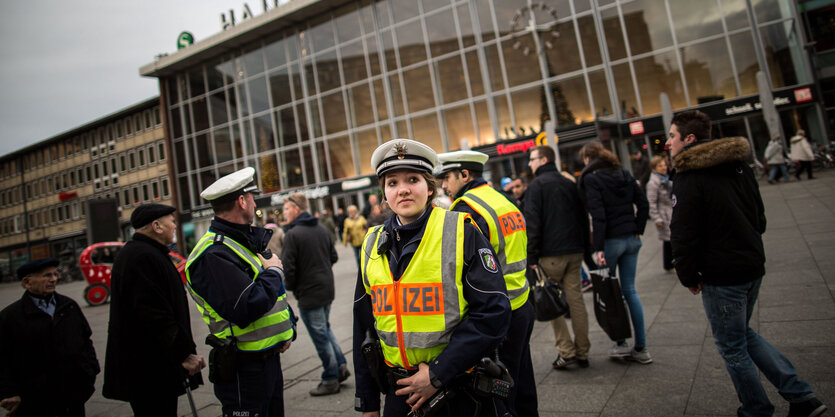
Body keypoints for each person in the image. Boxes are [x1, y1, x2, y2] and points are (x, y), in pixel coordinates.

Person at [668, 110, 826, 417]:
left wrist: (687, 274)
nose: (668, 143)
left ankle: (756, 409)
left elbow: (683, 233)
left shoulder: (689, 174)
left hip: (722, 275)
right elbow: (759, 216)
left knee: (732, 346)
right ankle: (801, 396)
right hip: (751, 265)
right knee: (741, 334)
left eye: (671, 136)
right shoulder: (738, 166)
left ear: (689, 139)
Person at [353, 139, 512, 417]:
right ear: (384, 194)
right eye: (392, 183)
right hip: (399, 393)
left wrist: (437, 374)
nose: (402, 189)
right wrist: (367, 402)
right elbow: (364, 327)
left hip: (456, 390)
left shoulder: (462, 231)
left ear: (429, 188)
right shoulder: (371, 243)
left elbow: (493, 312)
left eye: (412, 179)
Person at [185, 167, 296, 417]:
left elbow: (274, 298)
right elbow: (245, 307)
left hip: (266, 358)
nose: (255, 203)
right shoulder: (211, 254)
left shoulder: (238, 242)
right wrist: (274, 272)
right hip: (243, 367)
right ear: (242, 201)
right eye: (252, 197)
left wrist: (290, 327)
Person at [436, 150, 538, 416]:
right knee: (523, 380)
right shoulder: (500, 198)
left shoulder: (466, 209)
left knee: (501, 391)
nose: (444, 185)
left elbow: (464, 268)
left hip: (499, 313)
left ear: (465, 175)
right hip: (522, 302)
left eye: (446, 178)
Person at [103, 204, 205, 416]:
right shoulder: (141, 257)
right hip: (147, 369)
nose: (175, 226)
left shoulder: (146, 253)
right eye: (171, 221)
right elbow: (154, 314)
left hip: (151, 366)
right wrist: (184, 353)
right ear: (156, 226)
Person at [578, 141, 651, 364]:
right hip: (631, 239)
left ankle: (621, 343)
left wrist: (598, 248)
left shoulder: (591, 178)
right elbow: (643, 203)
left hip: (610, 241)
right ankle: (641, 347)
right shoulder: (623, 172)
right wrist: (638, 228)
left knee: (610, 292)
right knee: (630, 290)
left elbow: (598, 215)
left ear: (588, 159)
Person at [0, 258, 100, 417]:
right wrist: (8, 392)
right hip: (35, 399)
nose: (54, 279)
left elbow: (85, 340)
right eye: (47, 275)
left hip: (72, 395)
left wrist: (90, 371)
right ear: (27, 282)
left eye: (55, 274)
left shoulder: (69, 306)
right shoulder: (10, 317)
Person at [525, 145, 593, 371]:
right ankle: (583, 351)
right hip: (575, 251)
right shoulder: (568, 183)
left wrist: (531, 255)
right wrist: (587, 250)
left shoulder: (536, 186)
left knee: (550, 300)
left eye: (532, 159)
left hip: (550, 255)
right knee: (576, 302)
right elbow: (584, 217)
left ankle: (567, 352)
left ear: (543, 159)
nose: (530, 164)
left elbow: (533, 224)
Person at [281, 193, 348, 396]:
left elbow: (288, 269)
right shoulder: (320, 228)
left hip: (309, 293)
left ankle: (330, 378)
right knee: (325, 330)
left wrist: (294, 287)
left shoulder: (292, 234)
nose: (283, 214)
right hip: (326, 288)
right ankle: (341, 367)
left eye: (286, 209)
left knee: (320, 335)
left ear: (296, 209)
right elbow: (333, 256)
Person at [645, 155, 674, 272]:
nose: (663, 168)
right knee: (669, 241)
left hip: (671, 212)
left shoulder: (667, 179)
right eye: (660, 166)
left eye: (664, 165)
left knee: (670, 240)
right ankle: (669, 264)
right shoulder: (653, 183)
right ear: (654, 169)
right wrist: (657, 218)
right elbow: (651, 202)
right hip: (664, 215)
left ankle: (669, 264)